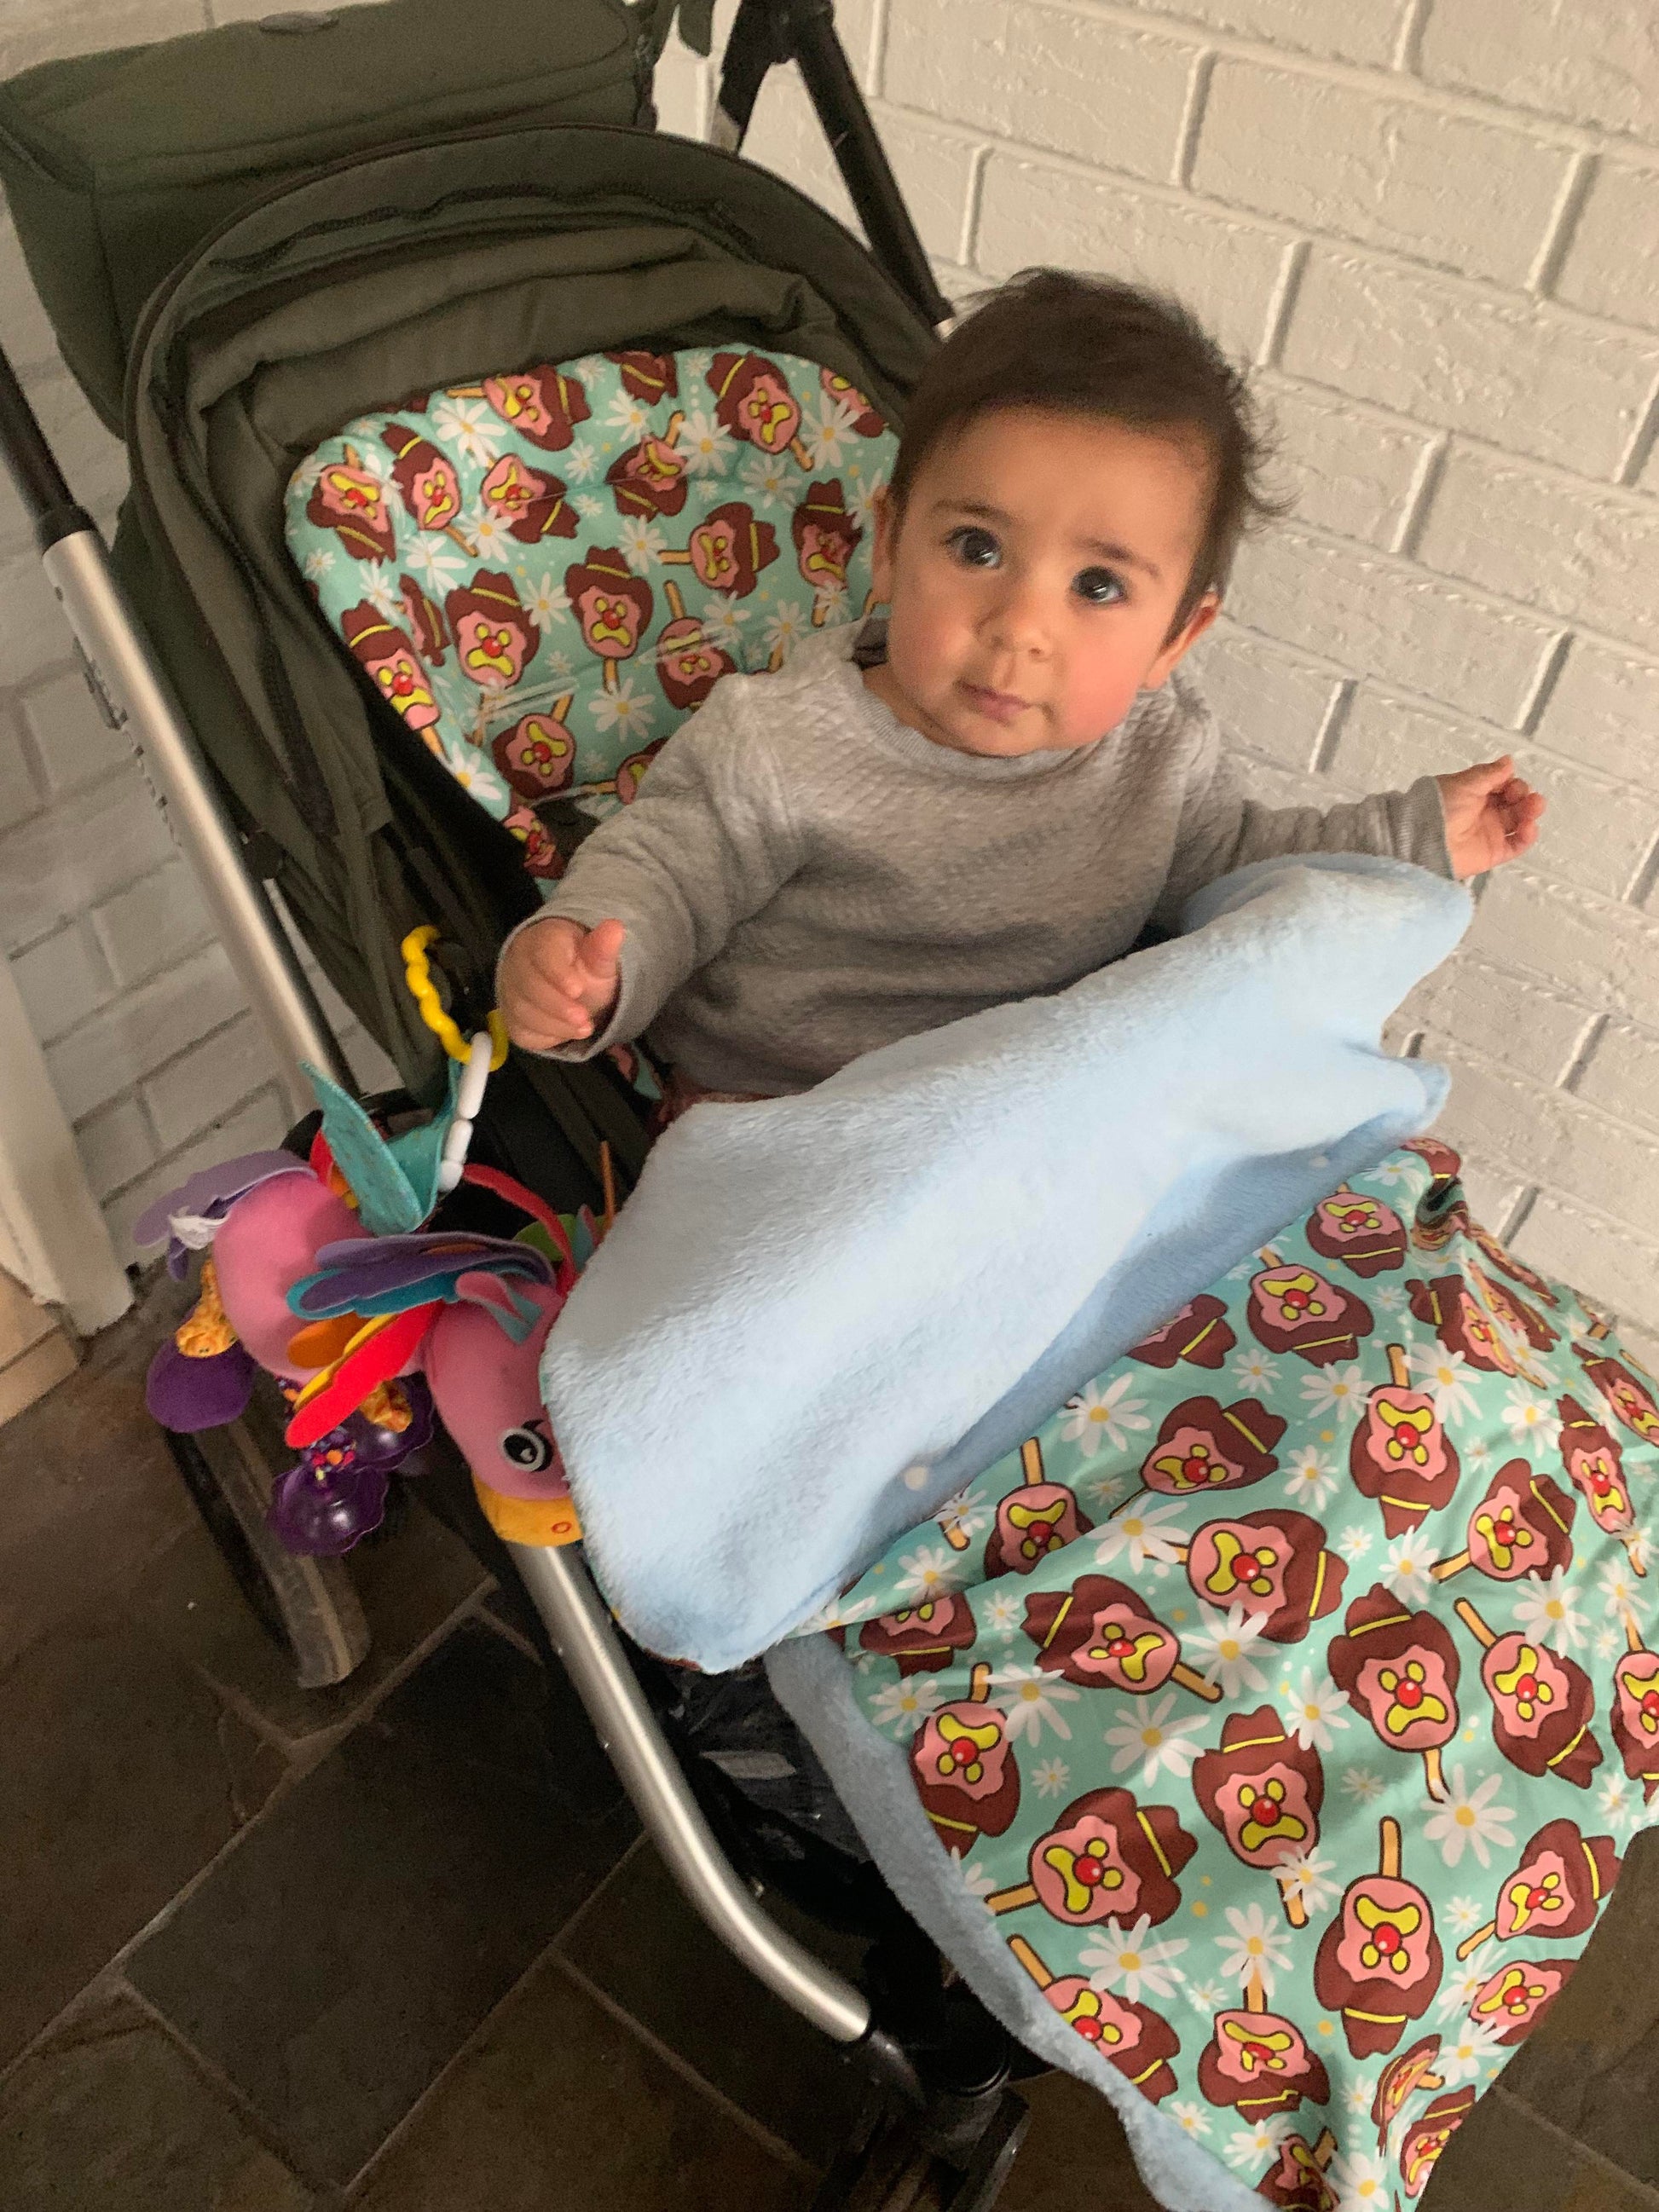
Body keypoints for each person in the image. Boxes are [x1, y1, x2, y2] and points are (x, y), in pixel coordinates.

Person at [497, 270, 1544, 1102]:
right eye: (976, 548)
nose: (1019, 628)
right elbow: (664, 871)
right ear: (889, 547)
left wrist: (1411, 835)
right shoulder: (779, 746)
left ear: (1175, 638)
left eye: (1097, 586)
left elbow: (1234, 867)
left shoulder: (1158, 754)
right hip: (782, 1109)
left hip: (1018, 1107)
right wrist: (586, 962)